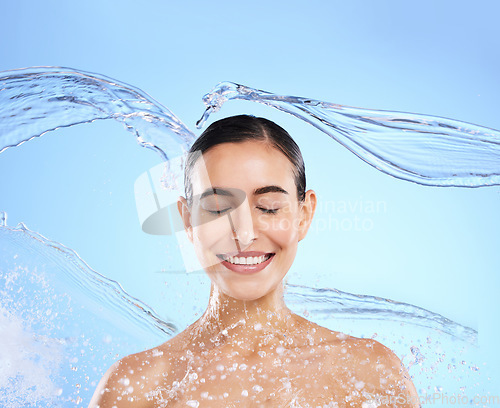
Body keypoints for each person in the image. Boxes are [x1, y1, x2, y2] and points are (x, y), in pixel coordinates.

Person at [89, 115, 420, 407]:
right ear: (187, 221)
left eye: (269, 207)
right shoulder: (134, 388)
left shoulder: (369, 373)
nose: (244, 234)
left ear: (304, 216)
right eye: (218, 208)